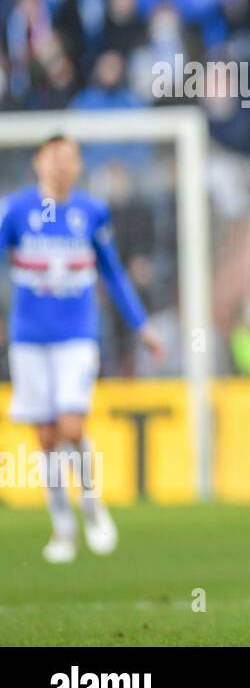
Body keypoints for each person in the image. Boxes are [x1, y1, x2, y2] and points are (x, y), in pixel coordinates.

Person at [0, 136, 164, 563]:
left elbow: (113, 273)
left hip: (77, 335)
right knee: (47, 437)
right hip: (30, 338)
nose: (61, 165)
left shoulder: (91, 212)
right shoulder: (15, 211)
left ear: (77, 165)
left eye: (70, 158)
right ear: (38, 161)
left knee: (72, 427)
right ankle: (62, 525)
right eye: (54, 157)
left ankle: (90, 503)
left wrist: (142, 325)